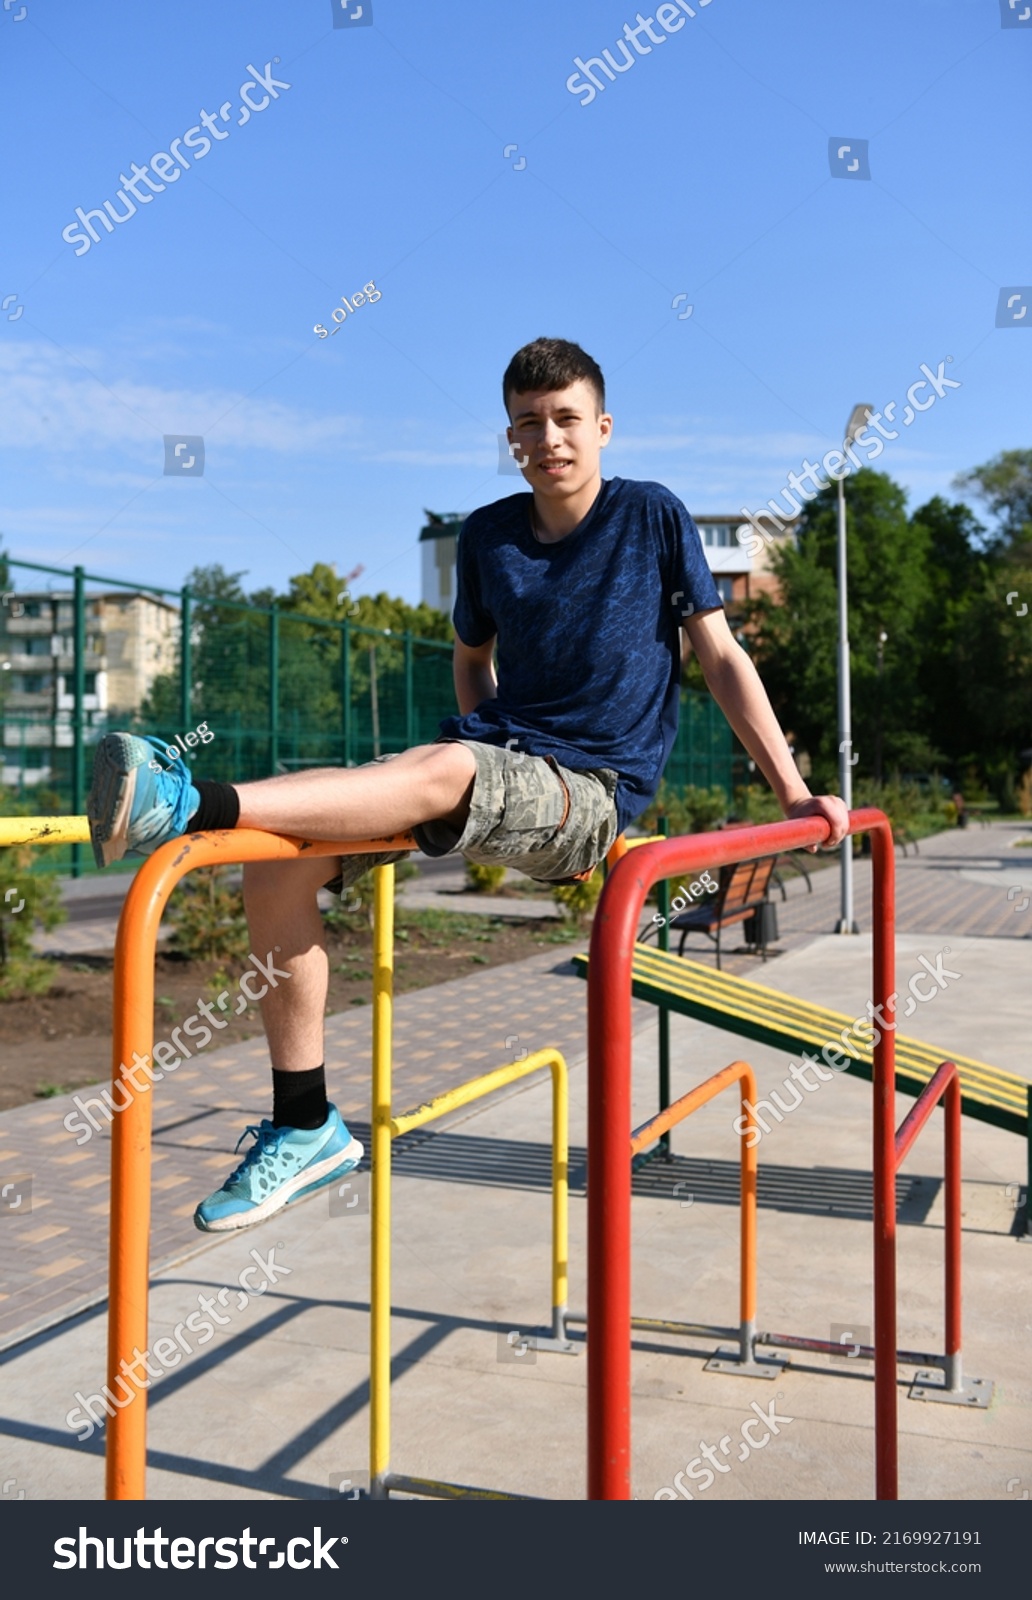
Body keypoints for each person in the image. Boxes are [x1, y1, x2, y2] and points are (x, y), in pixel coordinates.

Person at [87, 336, 848, 1235]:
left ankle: (189, 802)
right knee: (279, 863)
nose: (549, 438)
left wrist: (796, 792)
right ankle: (306, 1125)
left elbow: (720, 657)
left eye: (567, 420)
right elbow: (470, 661)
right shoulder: (488, 537)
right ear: (511, 438)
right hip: (498, 753)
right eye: (529, 423)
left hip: (592, 793)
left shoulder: (650, 517)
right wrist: (487, 743)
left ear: (601, 428)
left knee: (445, 770)